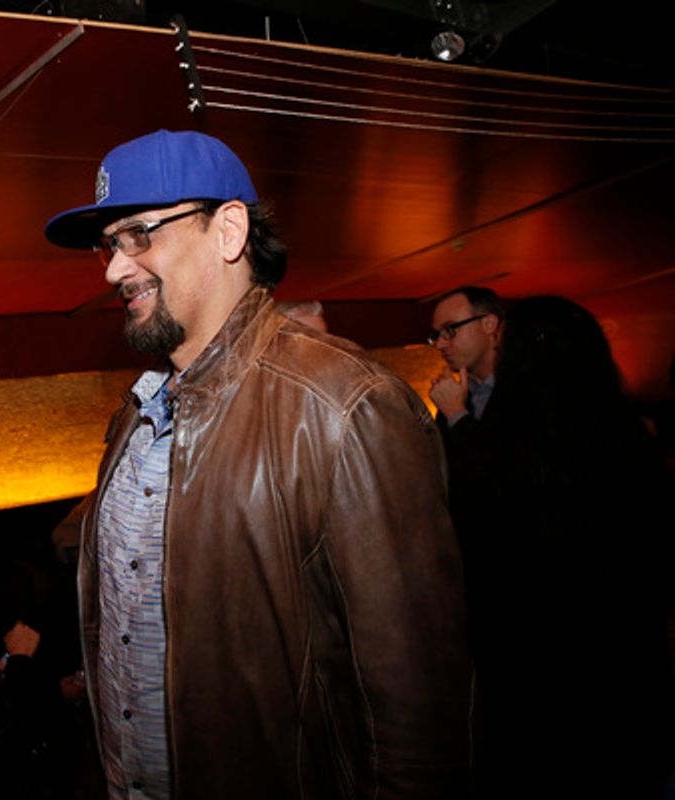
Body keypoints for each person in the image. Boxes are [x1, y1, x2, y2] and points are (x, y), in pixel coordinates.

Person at [44, 129, 470, 798]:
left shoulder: (341, 404)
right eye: (108, 243)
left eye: (139, 234)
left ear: (228, 229)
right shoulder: (135, 415)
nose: (112, 269)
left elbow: (417, 707)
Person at [442, 295, 675, 799]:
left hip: (544, 668)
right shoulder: (628, 434)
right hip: (625, 664)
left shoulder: (520, 437)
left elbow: (485, 521)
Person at [427, 286, 504, 427]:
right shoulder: (456, 395)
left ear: (489, 324)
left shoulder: (531, 388)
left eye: (450, 329)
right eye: (437, 335)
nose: (439, 345)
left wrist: (455, 412)